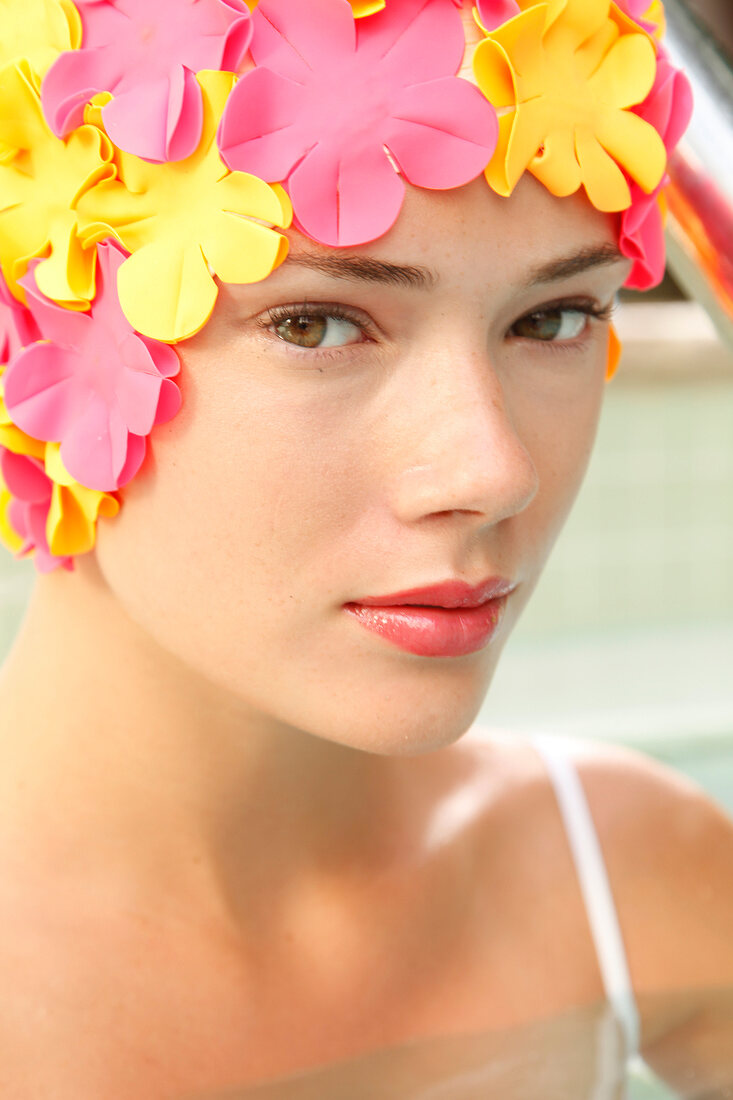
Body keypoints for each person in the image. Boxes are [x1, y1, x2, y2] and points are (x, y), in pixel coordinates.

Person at [0, 0, 730, 1097]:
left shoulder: (649, 886)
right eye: (315, 323)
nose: (492, 470)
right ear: (38, 355)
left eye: (552, 317)